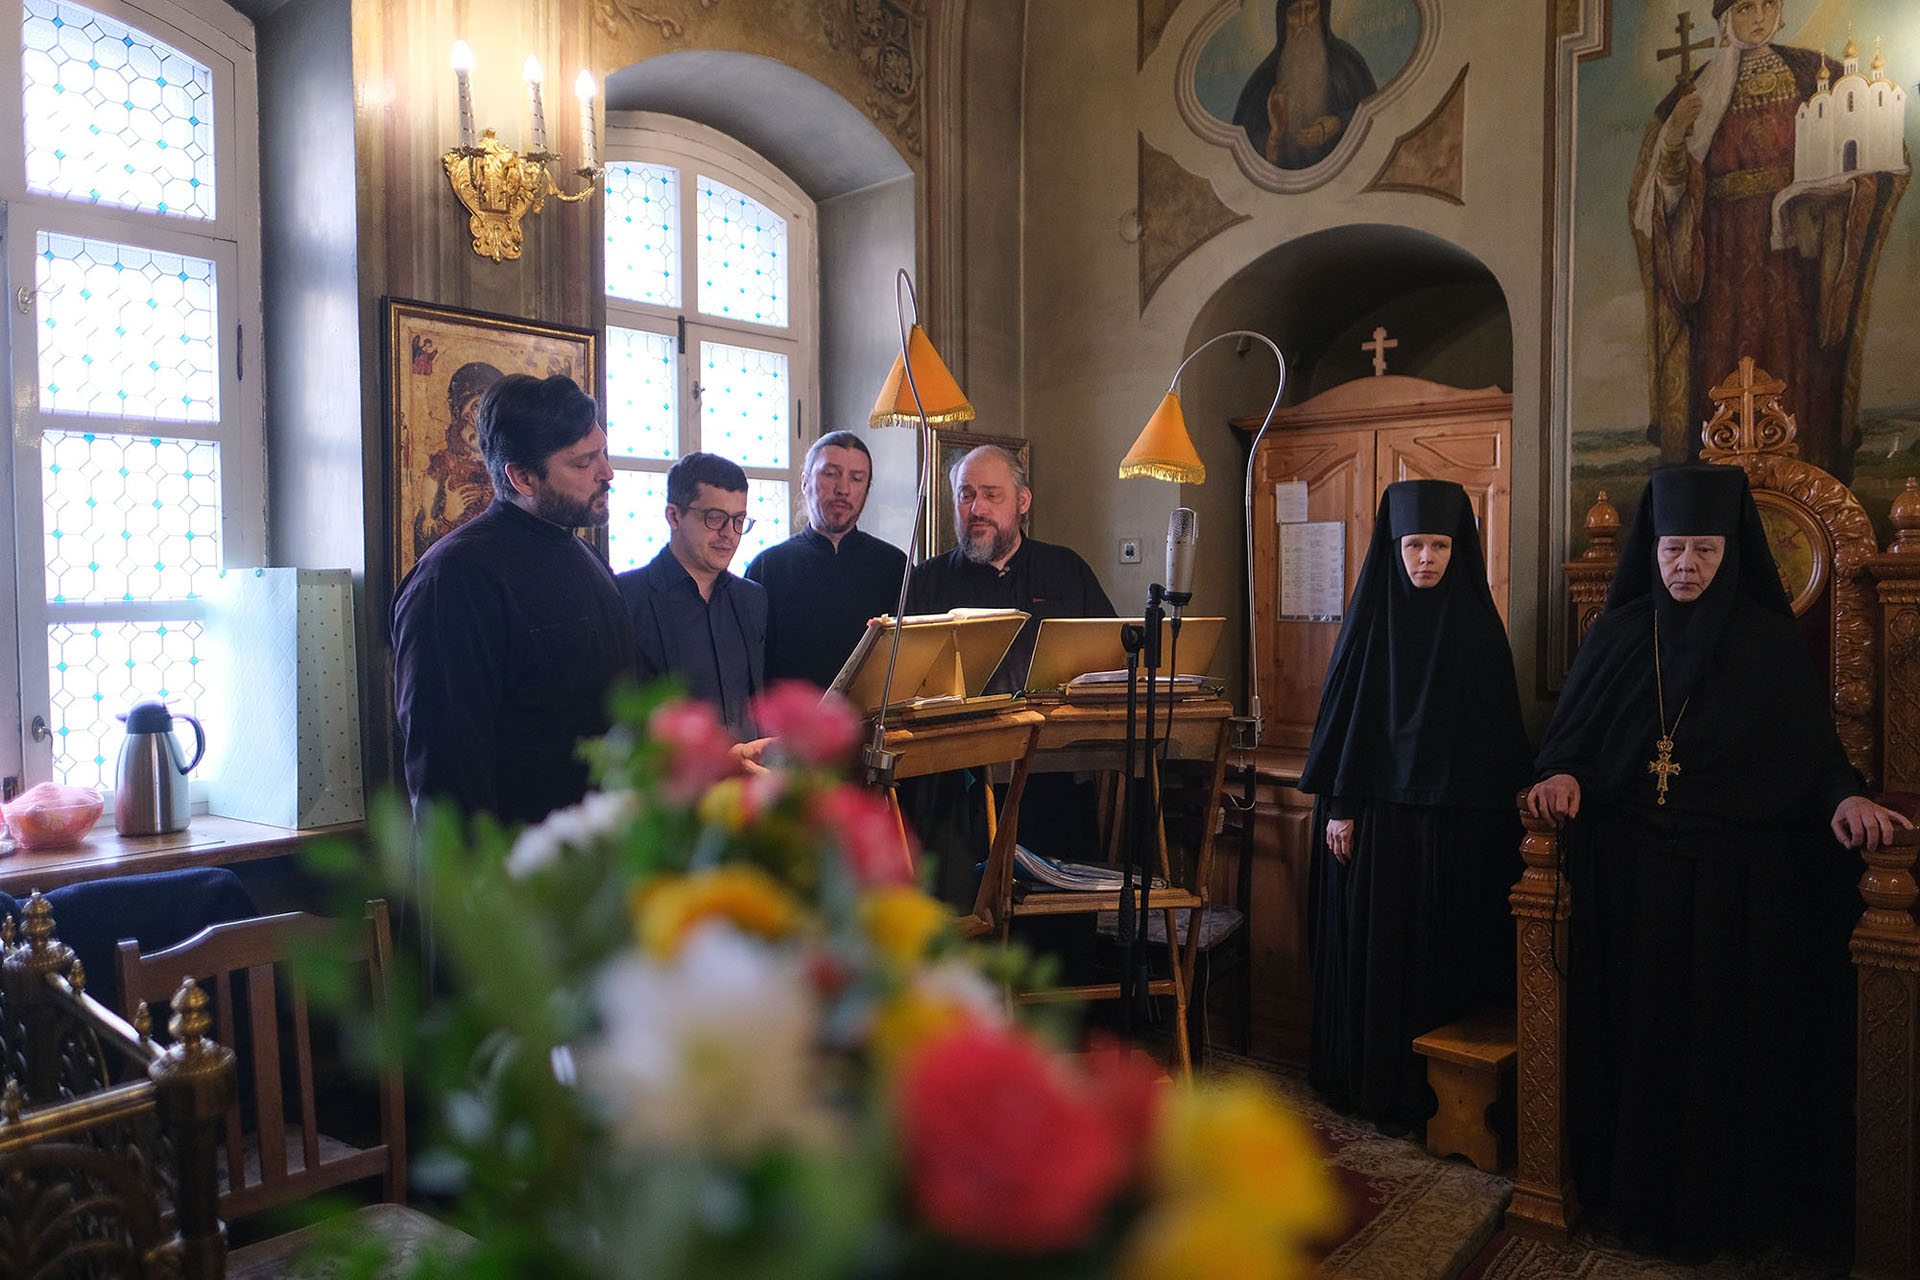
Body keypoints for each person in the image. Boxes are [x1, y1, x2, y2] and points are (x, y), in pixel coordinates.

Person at [1526, 464, 1911, 1260]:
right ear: (1653, 550)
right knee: (1644, 1042)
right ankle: (1631, 1193)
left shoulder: (1767, 641)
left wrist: (1848, 799)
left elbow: (1816, 760)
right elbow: (1573, 744)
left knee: (1721, 1047)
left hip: (1739, 884)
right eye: (1673, 548)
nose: (1686, 565)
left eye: (1704, 549)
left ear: (1731, 551)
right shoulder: (1621, 634)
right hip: (1635, 880)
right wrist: (1561, 775)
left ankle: (1725, 1208)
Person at [1299, 480, 1531, 1131]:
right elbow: (1345, 726)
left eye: (1439, 545)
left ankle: (1441, 1100)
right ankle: (1376, 1085)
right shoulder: (1369, 625)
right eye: (1414, 545)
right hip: (1377, 825)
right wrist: (1340, 806)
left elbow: (1498, 738)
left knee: (1441, 959)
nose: (1426, 558)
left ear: (1458, 550)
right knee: (1379, 960)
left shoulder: (1478, 630)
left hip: (1454, 828)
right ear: (1394, 548)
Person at [1630, 0, 1902, 483]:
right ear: (1725, 19)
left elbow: (1875, 154)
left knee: (1799, 357)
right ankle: (1721, 486)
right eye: (1745, 7)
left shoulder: (1816, 76)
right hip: (1721, 254)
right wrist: (1673, 138)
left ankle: (1805, 481)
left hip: (1796, 249)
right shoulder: (1698, 93)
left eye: (1768, 5)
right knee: (1723, 362)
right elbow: (1665, 198)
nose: (1758, 18)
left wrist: (1841, 191)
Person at [392, 373, 635, 828]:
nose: (606, 473)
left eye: (602, 452)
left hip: (600, 850)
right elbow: (447, 772)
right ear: (522, 477)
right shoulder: (456, 577)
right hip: (514, 862)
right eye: (583, 463)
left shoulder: (587, 556)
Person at [906, 444, 1114, 694]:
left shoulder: (1067, 570)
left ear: (1022, 501)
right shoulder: (924, 582)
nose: (977, 509)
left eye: (991, 495)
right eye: (966, 496)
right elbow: (902, 683)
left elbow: (1112, 662)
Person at [618, 452, 769, 741]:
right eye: (715, 518)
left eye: (738, 520)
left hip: (746, 767)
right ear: (674, 516)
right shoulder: (627, 596)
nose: (729, 533)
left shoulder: (753, 598)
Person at [745, 430, 907, 689]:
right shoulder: (768, 566)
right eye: (830, 474)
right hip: (790, 714)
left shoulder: (895, 567)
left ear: (866, 490)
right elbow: (751, 673)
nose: (843, 489)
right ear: (805, 481)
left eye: (856, 478)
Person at [1231, 0, 1376, 170]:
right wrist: (1275, 137)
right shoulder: (1264, 79)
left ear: (1322, 12)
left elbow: (1374, 117)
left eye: (1311, 9)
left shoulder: (1346, 62)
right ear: (1283, 20)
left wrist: (1337, 123)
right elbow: (1243, 148)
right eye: (1294, 13)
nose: (1303, 21)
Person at [413, 360, 502, 563]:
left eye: (479, 408)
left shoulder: (513, 470)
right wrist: (447, 516)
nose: (475, 422)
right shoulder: (447, 463)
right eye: (468, 415)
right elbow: (421, 547)